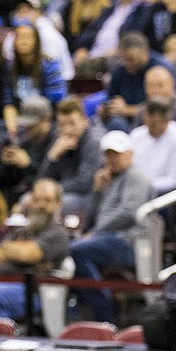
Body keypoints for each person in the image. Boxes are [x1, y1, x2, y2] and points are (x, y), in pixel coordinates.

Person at [69, 130, 154, 321]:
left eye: (117, 153)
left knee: (77, 251)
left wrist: (94, 233)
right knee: (70, 253)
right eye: (108, 154)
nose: (112, 158)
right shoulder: (108, 179)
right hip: (107, 239)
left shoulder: (136, 177)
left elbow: (128, 212)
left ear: (130, 154)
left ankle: (105, 310)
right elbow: (92, 217)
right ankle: (89, 308)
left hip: (128, 241)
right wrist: (97, 191)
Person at [0, 178, 72, 322]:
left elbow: (28, 254)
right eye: (37, 200)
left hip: (31, 293)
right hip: (1, 284)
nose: (42, 205)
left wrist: (13, 251)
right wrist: (18, 250)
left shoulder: (57, 233)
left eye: (48, 200)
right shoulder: (23, 231)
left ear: (58, 204)